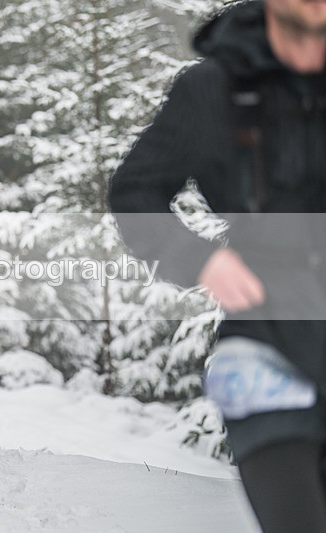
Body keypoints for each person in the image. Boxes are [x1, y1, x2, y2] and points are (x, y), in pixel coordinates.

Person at [109, 1, 326, 531]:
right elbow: (133, 191)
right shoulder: (211, 89)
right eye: (300, 19)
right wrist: (200, 260)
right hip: (265, 346)